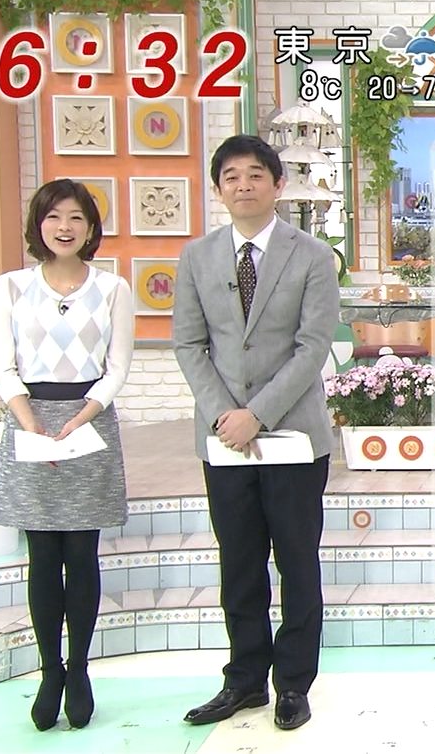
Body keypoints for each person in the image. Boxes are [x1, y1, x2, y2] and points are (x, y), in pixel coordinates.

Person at [172, 134, 339, 731]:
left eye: (255, 175)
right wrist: (226, 414)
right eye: (231, 177)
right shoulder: (197, 257)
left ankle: (293, 683)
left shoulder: (313, 256)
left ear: (277, 184)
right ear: (218, 189)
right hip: (224, 440)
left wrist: (258, 415)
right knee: (239, 563)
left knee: (297, 562)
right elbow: (189, 344)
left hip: (294, 437)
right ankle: (243, 681)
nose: (243, 186)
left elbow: (312, 347)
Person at [0, 178, 135, 731]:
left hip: (88, 420)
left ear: (91, 227)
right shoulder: (10, 286)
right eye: (53, 217)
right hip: (29, 417)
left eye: (76, 217)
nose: (64, 227)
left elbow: (117, 367)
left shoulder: (114, 288)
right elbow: (4, 366)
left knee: (82, 553)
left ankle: (79, 670)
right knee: (43, 556)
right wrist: (32, 424)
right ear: (39, 225)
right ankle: (50, 671)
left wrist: (78, 419)